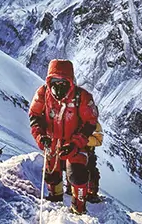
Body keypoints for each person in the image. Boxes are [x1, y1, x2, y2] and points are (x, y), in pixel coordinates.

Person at [28, 59, 99, 215]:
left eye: (63, 81)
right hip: (52, 141)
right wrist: (41, 137)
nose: (58, 85)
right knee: (52, 174)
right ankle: (55, 198)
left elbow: (90, 123)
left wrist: (76, 143)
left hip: (75, 142)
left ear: (70, 81)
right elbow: (34, 116)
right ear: (49, 80)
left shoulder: (82, 97)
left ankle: (79, 206)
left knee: (77, 174)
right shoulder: (42, 93)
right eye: (54, 81)